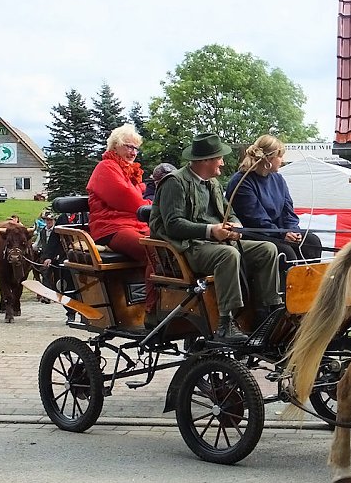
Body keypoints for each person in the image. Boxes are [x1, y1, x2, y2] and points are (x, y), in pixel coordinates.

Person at [150, 132, 282, 346]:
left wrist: (236, 225)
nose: (222, 162)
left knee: (267, 249)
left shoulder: (213, 183)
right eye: (219, 158)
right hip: (189, 248)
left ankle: (267, 313)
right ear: (205, 161)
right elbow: (173, 224)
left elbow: (228, 212)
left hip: (215, 242)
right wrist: (211, 231)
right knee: (228, 254)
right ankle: (225, 323)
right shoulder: (175, 183)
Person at [225, 135, 322, 272]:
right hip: (255, 234)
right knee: (285, 252)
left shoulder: (278, 179)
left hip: (278, 232)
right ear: (268, 159)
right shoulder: (242, 182)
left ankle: (309, 287)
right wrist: (282, 234)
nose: (283, 160)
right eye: (280, 156)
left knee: (311, 242)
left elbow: (288, 211)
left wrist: (292, 230)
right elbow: (256, 218)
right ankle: (285, 291)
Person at [86, 124, 151, 262]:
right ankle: (153, 284)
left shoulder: (127, 171)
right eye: (129, 146)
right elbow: (129, 199)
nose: (133, 153)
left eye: (135, 149)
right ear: (115, 146)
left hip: (135, 225)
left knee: (170, 245)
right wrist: (153, 205)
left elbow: (138, 191)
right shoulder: (106, 167)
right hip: (111, 227)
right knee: (154, 251)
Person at [36, 210, 76, 322]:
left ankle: (87, 314)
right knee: (65, 287)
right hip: (65, 260)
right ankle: (70, 313)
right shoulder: (62, 220)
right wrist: (48, 256)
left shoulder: (84, 219)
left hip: (84, 258)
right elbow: (53, 241)